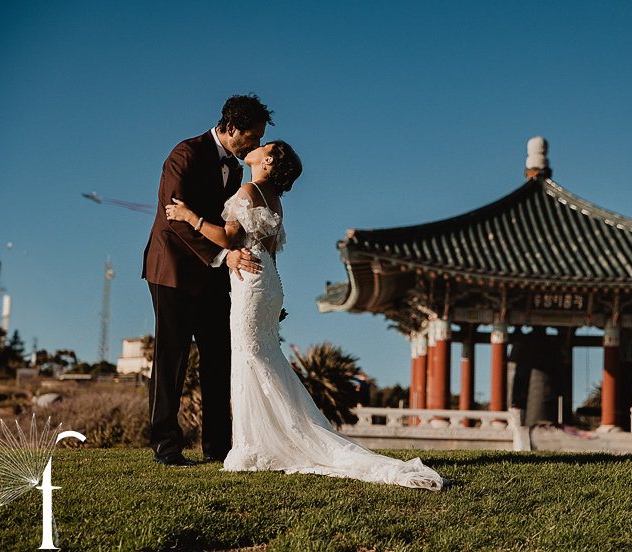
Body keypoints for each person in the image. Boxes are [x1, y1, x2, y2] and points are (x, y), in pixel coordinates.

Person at [165, 141, 445, 490]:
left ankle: (255, 445)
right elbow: (268, 252)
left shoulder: (249, 190)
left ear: (267, 161)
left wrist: (190, 217)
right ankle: (267, 439)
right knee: (265, 357)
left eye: (262, 146)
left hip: (251, 283)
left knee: (250, 357)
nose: (253, 147)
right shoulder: (274, 199)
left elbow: (227, 238)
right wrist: (272, 296)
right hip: (267, 282)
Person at [142, 94, 272, 467]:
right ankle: (166, 448)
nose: (256, 145)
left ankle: (218, 448)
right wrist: (222, 255)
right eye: (252, 136)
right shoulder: (185, 154)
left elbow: (231, 227)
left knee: (218, 358)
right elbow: (173, 218)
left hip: (214, 274)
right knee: (173, 357)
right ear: (231, 128)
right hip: (173, 271)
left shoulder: (235, 168)